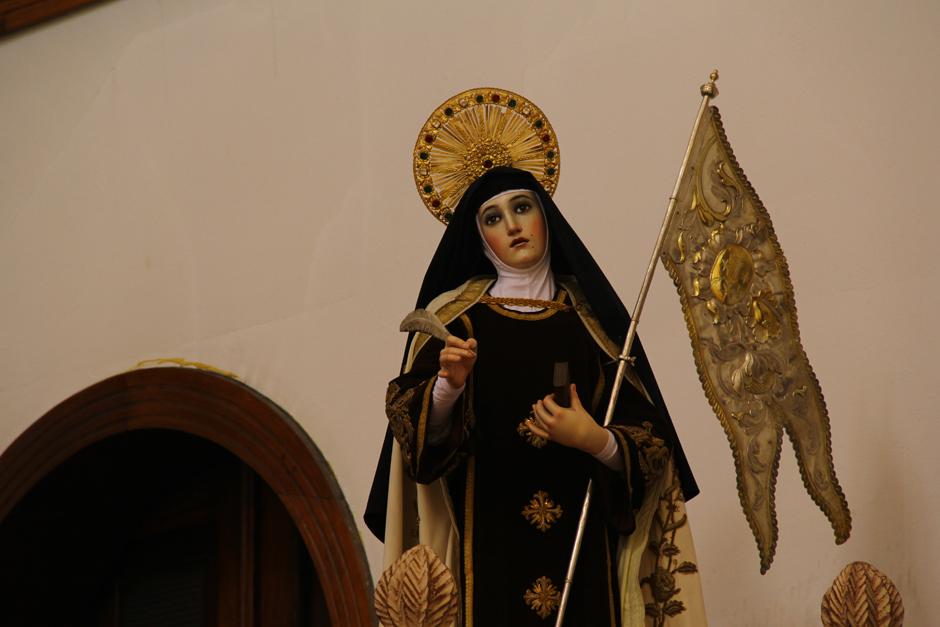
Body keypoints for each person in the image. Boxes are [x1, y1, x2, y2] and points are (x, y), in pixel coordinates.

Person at [366, 166, 705, 626]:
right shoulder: (456, 322)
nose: (512, 225)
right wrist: (449, 386)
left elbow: (651, 445)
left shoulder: (592, 325)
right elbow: (417, 446)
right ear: (479, 237)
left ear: (545, 215)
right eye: (493, 217)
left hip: (582, 556)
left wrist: (595, 440)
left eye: (522, 207)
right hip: (486, 548)